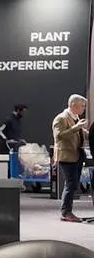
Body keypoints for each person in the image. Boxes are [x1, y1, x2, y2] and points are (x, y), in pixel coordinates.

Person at [52, 94, 88, 222]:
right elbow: (59, 136)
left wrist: (83, 131)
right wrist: (75, 127)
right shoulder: (61, 118)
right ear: (74, 106)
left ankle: (68, 211)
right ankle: (66, 212)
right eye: (82, 106)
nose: (84, 109)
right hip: (66, 156)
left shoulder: (75, 117)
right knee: (70, 184)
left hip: (77, 154)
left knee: (73, 184)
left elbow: (78, 133)